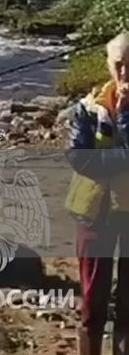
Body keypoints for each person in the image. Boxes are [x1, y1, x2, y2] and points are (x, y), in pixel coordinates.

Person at [66, 32, 129, 355]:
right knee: (93, 299)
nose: (124, 74)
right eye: (119, 65)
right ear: (108, 64)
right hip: (93, 211)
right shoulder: (89, 107)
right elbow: (78, 158)